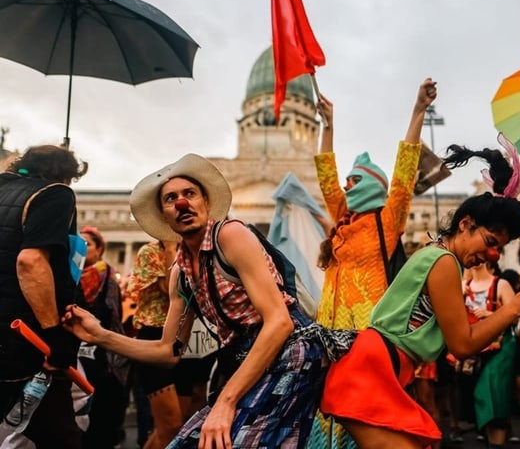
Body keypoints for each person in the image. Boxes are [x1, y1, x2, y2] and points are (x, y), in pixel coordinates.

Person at [63, 153, 353, 449]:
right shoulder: (182, 273)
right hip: (245, 362)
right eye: (171, 198)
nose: (182, 203)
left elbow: (279, 322)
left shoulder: (230, 235)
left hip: (290, 354)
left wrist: (226, 402)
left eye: (189, 194)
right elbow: (168, 351)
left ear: (207, 203)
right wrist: (100, 335)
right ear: (164, 215)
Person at [318, 137, 520, 449]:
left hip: (375, 371)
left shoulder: (438, 256)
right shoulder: (442, 262)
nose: (494, 254)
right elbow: (463, 343)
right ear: (465, 224)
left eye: (501, 247)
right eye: (491, 241)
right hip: (368, 374)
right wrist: (513, 308)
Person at [310, 78, 439, 449]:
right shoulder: (341, 220)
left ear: (371, 186)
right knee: (327, 409)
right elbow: (326, 176)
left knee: (363, 411)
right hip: (328, 326)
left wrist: (418, 110)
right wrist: (328, 126)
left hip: (367, 330)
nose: (346, 188)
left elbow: (405, 171)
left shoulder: (387, 220)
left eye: (354, 181)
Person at [0, 144, 88, 448]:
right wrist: (55, 339)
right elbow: (31, 262)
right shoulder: (54, 194)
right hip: (26, 347)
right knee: (61, 437)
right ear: (64, 174)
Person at [125, 239, 215, 449]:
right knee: (170, 425)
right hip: (155, 337)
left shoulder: (196, 250)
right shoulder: (149, 252)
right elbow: (171, 289)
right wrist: (170, 251)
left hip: (187, 339)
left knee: (178, 426)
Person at [78, 226, 130, 449]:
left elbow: (114, 316)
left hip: (103, 357)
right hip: (77, 355)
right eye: (78, 244)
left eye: (87, 244)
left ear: (100, 249)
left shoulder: (107, 277)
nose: (82, 248)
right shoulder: (69, 274)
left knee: (102, 415)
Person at [458, 261, 517, 447]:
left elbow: (516, 315)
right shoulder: (462, 286)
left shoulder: (501, 284)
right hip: (474, 349)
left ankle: (497, 441)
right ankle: (493, 439)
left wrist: (491, 315)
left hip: (500, 347)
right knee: (478, 396)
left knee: (492, 392)